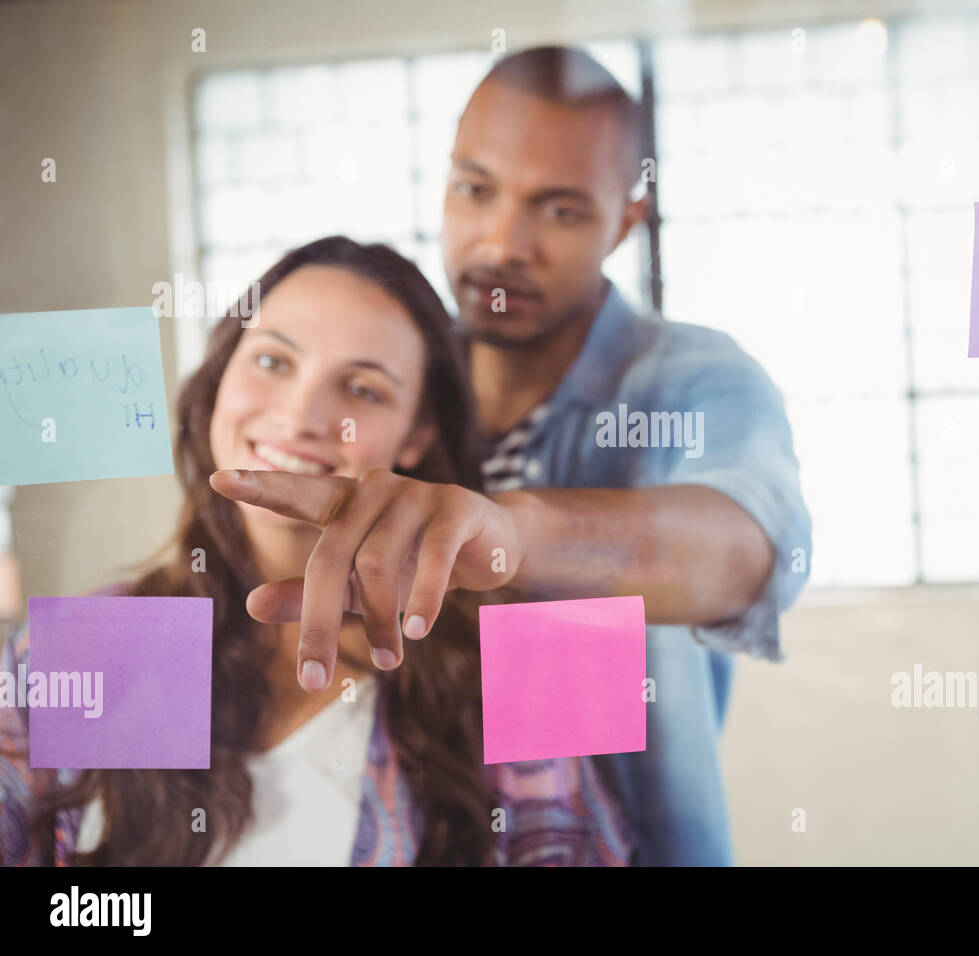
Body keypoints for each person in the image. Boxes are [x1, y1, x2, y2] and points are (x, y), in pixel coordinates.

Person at [214, 47, 812, 866]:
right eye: (475, 189)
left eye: (559, 210)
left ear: (625, 221)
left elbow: (751, 552)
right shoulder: (128, 631)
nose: (503, 243)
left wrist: (517, 536)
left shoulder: (695, 382)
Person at [0, 236, 633, 866]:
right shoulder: (90, 642)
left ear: (419, 433)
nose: (302, 416)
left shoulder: (527, 666)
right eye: (273, 362)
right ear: (222, 376)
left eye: (362, 389)